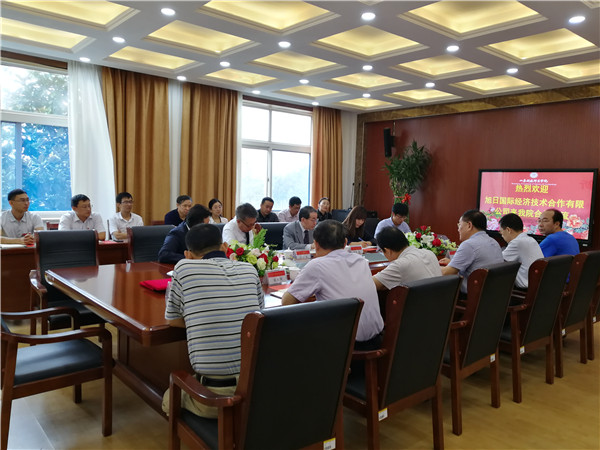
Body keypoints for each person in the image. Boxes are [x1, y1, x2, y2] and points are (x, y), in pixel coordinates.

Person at [162, 223, 264, 418]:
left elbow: (173, 320)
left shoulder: (184, 268)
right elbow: (257, 316)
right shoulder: (249, 269)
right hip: (256, 389)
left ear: (188, 254)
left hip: (215, 398)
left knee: (168, 400)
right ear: (225, 247)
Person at [282, 220, 384, 349]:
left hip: (345, 347)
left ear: (316, 244)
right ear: (345, 242)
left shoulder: (316, 265)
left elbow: (287, 302)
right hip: (377, 339)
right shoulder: (361, 261)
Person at [439, 209, 503, 293]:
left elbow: (446, 272)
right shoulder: (494, 242)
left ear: (469, 225)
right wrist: (453, 263)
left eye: (459, 225)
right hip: (491, 293)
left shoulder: (469, 244)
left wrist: (429, 266)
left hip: (472, 296)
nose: (458, 229)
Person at [372, 226, 441, 290]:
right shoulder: (429, 253)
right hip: (441, 298)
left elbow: (371, 284)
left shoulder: (400, 264)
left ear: (387, 251)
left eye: (382, 251)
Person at [498, 213, 543, 289]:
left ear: (508, 230)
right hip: (538, 285)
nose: (502, 236)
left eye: (502, 233)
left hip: (526, 288)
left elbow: (498, 261)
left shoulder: (517, 242)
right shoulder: (531, 239)